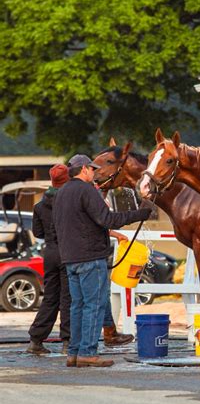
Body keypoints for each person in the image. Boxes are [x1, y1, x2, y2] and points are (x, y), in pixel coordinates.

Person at [53, 154, 152, 368]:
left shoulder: (61, 193)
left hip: (70, 258)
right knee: (94, 306)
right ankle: (88, 352)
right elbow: (107, 219)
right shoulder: (87, 190)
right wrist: (139, 214)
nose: (94, 173)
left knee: (77, 306)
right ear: (83, 170)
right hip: (90, 257)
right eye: (91, 169)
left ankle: (74, 353)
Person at [27, 164, 71, 355]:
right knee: (68, 299)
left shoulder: (39, 205)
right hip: (68, 252)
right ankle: (67, 342)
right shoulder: (69, 202)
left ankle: (36, 340)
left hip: (50, 254)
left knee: (50, 298)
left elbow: (38, 232)